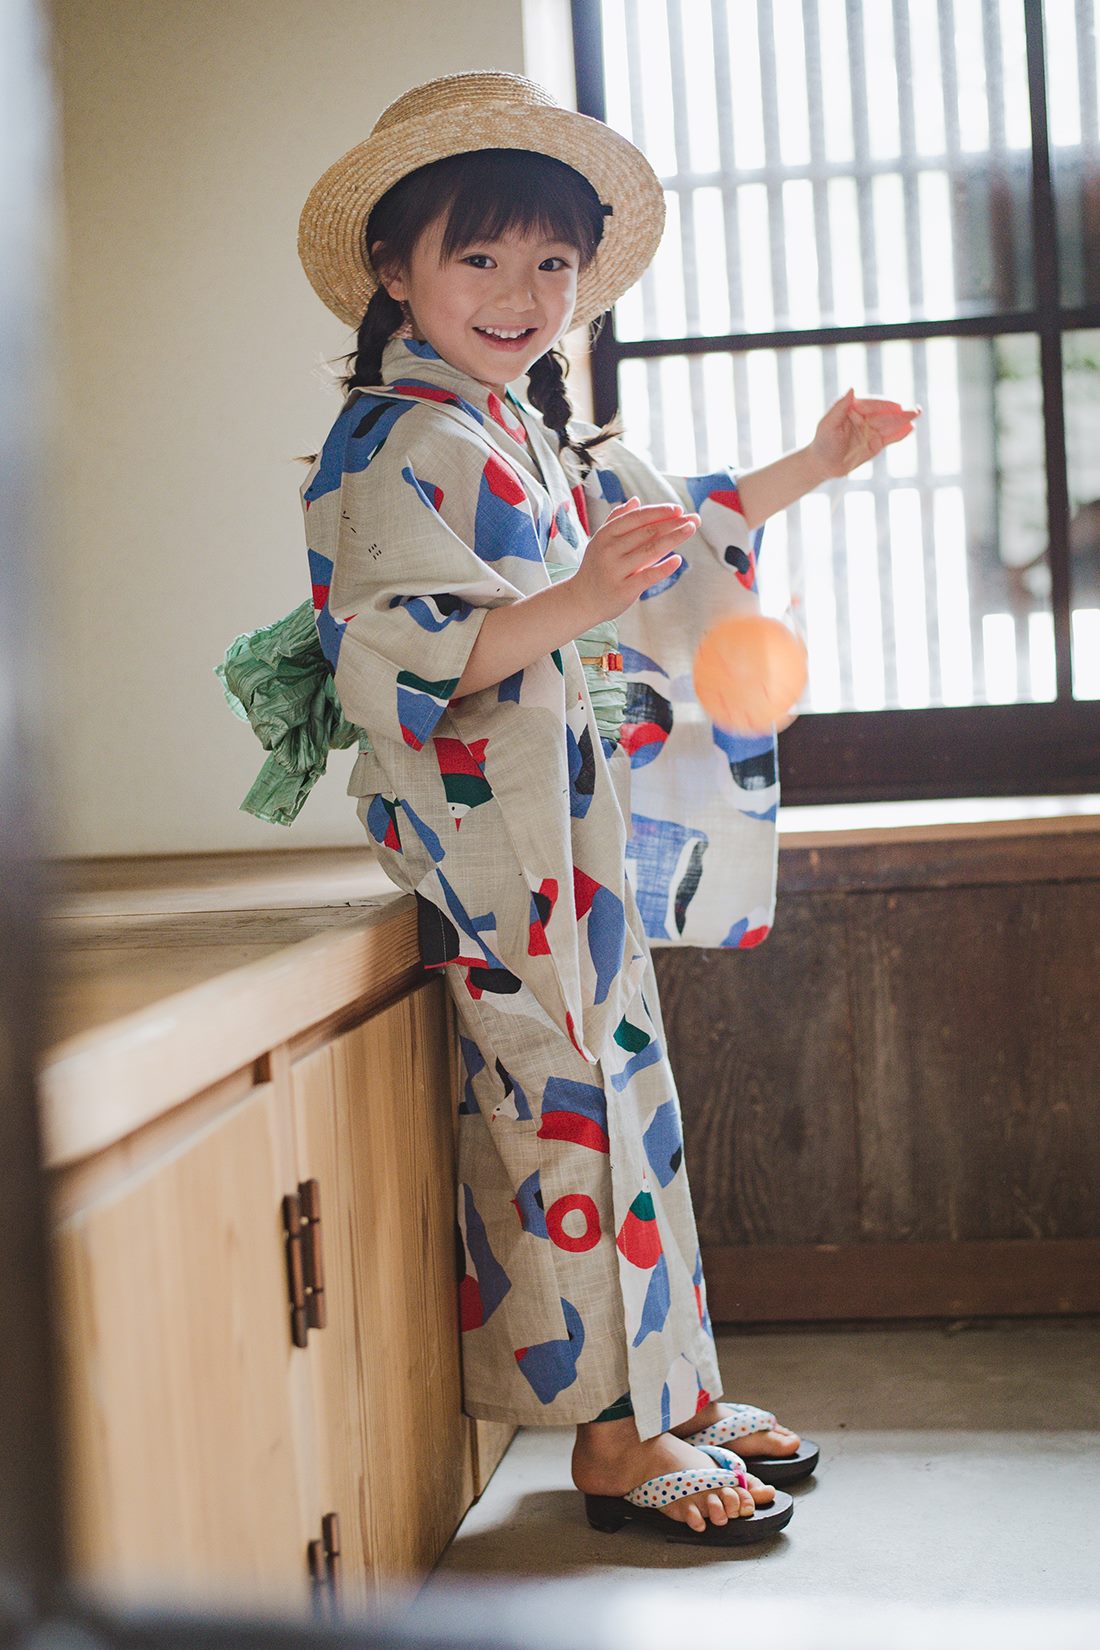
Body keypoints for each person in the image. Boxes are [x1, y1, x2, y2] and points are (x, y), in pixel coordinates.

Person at [220, 69, 918, 1545]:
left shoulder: (512, 422)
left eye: (552, 260)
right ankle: (610, 1441)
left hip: (559, 840)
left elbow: (663, 525)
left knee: (628, 1108)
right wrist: (580, 595)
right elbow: (399, 655)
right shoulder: (395, 441)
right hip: (490, 844)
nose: (522, 289)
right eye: (478, 254)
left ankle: (667, 1394)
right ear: (393, 268)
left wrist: (817, 459)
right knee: (566, 1128)